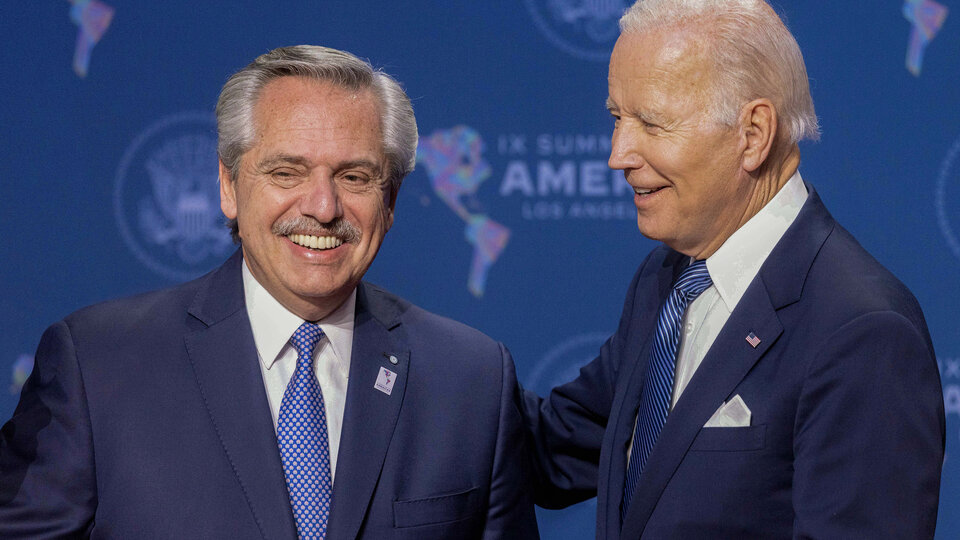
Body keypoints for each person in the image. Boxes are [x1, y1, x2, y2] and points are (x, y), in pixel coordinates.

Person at [0, 45, 538, 539]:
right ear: (229, 186)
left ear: (391, 201)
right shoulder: (98, 365)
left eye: (354, 177)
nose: (322, 207)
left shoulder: (470, 380)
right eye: (287, 172)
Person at [523, 1, 945, 538]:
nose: (618, 153)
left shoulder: (862, 331)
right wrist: (404, 348)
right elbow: (557, 448)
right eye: (616, 118)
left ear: (752, 134)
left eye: (651, 122)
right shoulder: (667, 281)